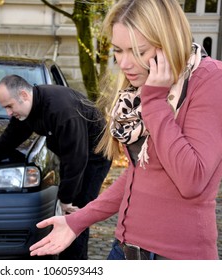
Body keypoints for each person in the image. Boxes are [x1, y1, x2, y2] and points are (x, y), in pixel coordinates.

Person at [29, 0, 222, 260]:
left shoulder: (210, 80)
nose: (125, 63)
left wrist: (154, 101)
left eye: (138, 51)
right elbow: (137, 176)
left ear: (168, 41)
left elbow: (192, 180)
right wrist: (78, 220)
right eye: (118, 50)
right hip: (123, 250)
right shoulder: (138, 89)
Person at [0, 74, 112, 259]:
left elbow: (76, 158)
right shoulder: (30, 107)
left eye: (9, 106)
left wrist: (67, 198)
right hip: (74, 153)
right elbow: (14, 133)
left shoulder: (62, 111)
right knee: (67, 211)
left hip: (95, 156)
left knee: (77, 215)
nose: (8, 113)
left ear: (24, 95)